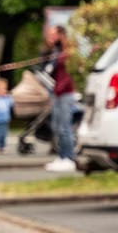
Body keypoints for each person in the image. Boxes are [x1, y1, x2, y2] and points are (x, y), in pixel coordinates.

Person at [43, 24, 78, 173]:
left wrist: (60, 88)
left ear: (61, 34)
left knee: (65, 127)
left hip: (65, 93)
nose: (50, 37)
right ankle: (62, 156)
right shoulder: (55, 51)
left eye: (53, 34)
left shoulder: (68, 51)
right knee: (57, 126)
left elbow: (68, 75)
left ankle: (69, 158)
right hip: (57, 92)